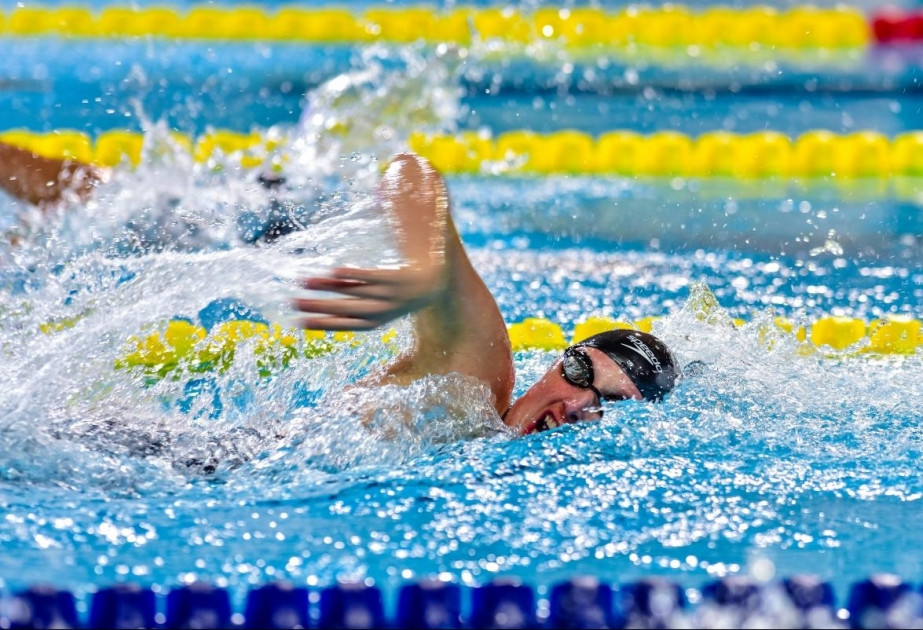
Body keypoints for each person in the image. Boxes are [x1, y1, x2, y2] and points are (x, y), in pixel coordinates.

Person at [0, 139, 681, 435]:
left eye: (605, 407)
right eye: (577, 372)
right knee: (92, 197)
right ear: (552, 360)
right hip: (180, 456)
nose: (572, 404)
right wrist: (420, 273)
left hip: (189, 469)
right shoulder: (475, 382)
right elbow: (412, 170)